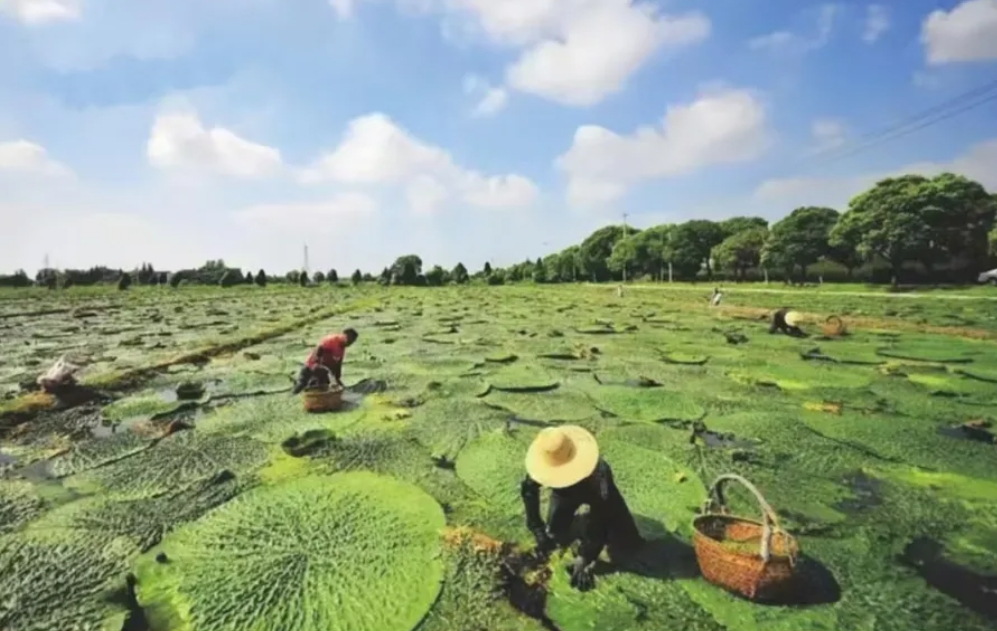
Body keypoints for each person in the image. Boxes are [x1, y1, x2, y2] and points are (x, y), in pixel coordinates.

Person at [520, 425, 641, 592]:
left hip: (594, 491)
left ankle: (603, 543)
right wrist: (536, 528)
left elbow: (601, 516)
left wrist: (585, 556)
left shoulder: (599, 474)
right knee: (555, 533)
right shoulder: (543, 464)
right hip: (563, 494)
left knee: (628, 541)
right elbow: (528, 491)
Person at [292, 328, 359, 395]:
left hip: (323, 371)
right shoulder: (332, 340)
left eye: (352, 342)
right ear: (345, 336)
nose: (350, 344)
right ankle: (293, 396)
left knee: (324, 388)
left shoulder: (342, 347)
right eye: (349, 340)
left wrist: (338, 378)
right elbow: (319, 349)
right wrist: (316, 364)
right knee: (302, 384)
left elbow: (338, 364)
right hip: (312, 366)